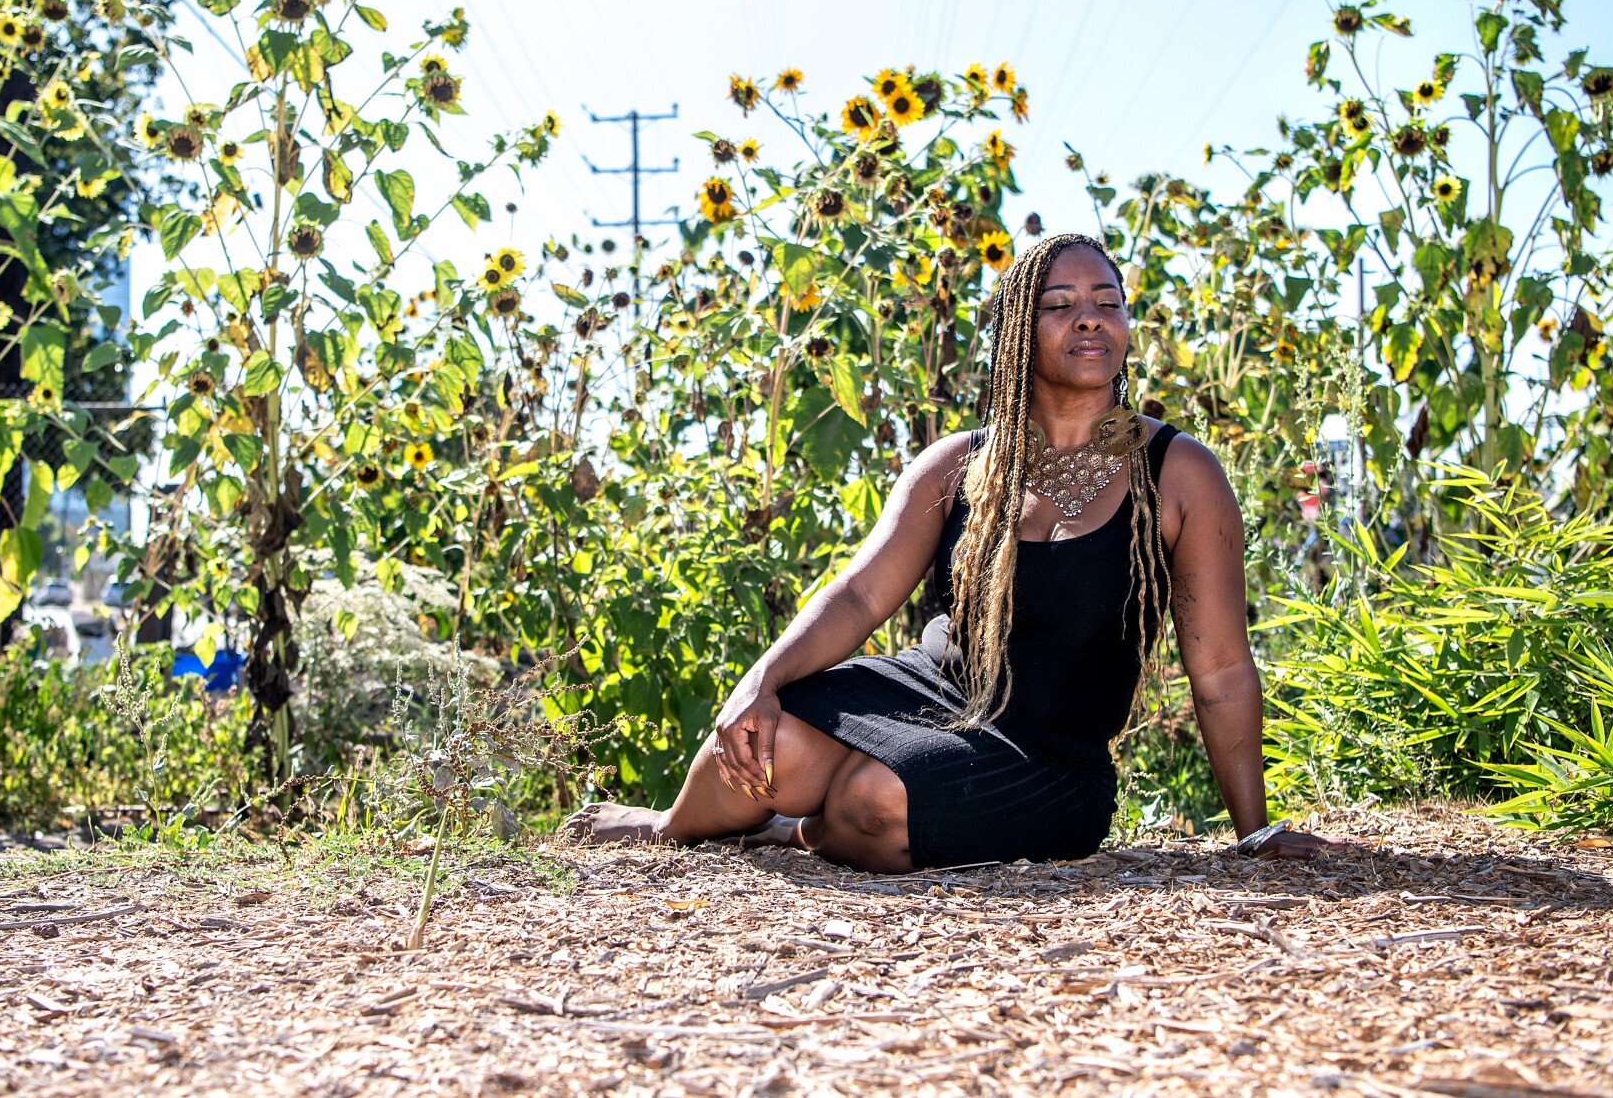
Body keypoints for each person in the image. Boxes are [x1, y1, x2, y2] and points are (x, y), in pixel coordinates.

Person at [565, 233, 1343, 871]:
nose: (1090, 320)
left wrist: (1254, 828)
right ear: (1015, 331)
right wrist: (759, 680)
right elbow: (862, 595)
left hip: (1053, 756)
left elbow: (1222, 669)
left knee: (875, 800)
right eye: (1061, 305)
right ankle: (667, 832)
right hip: (933, 691)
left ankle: (791, 834)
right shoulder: (958, 463)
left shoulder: (1177, 473)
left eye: (1108, 304)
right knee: (768, 737)